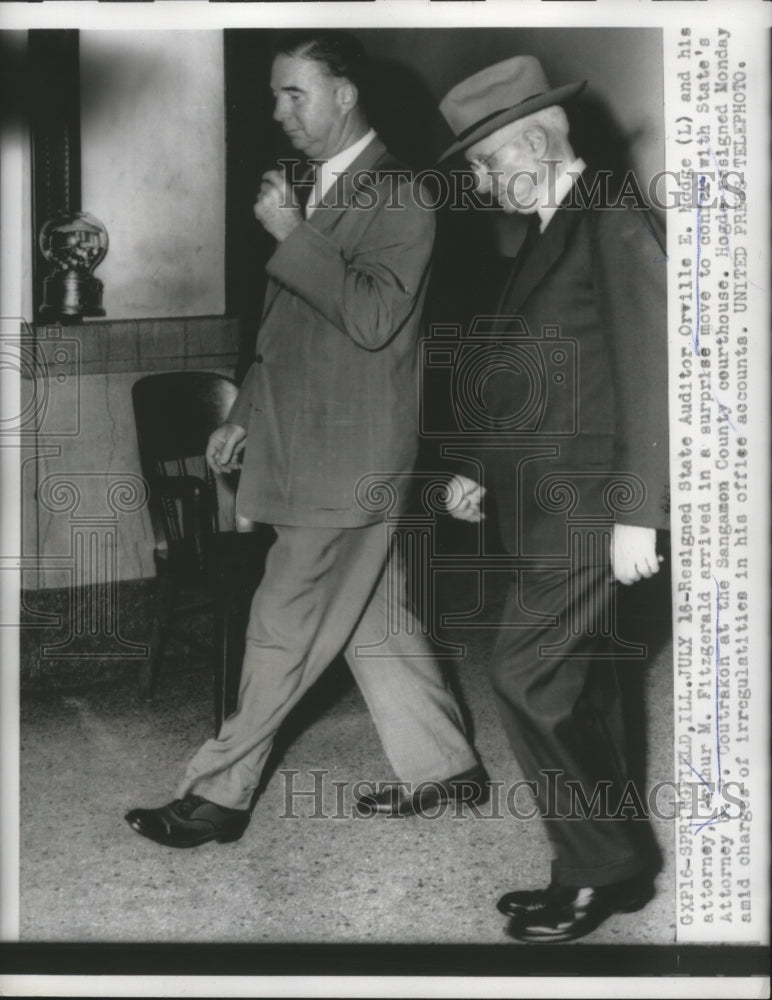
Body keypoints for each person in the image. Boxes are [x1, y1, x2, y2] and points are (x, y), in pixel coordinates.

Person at [126, 31, 486, 848]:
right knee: (371, 616)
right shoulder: (324, 189)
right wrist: (245, 411)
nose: (280, 111)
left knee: (281, 620)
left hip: (350, 458)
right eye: (275, 95)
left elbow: (370, 317)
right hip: (314, 444)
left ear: (345, 95)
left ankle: (219, 795)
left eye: (297, 93)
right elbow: (291, 330)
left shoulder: (401, 191)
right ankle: (447, 769)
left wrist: (293, 234)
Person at [437, 55, 669, 942]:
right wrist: (472, 463)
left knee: (524, 675)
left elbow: (654, 369)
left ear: (535, 140)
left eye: (487, 159)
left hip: (588, 506)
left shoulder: (609, 218)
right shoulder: (547, 226)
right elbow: (524, 370)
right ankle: (604, 874)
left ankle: (605, 865)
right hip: (534, 502)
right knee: (584, 687)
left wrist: (640, 512)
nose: (478, 177)